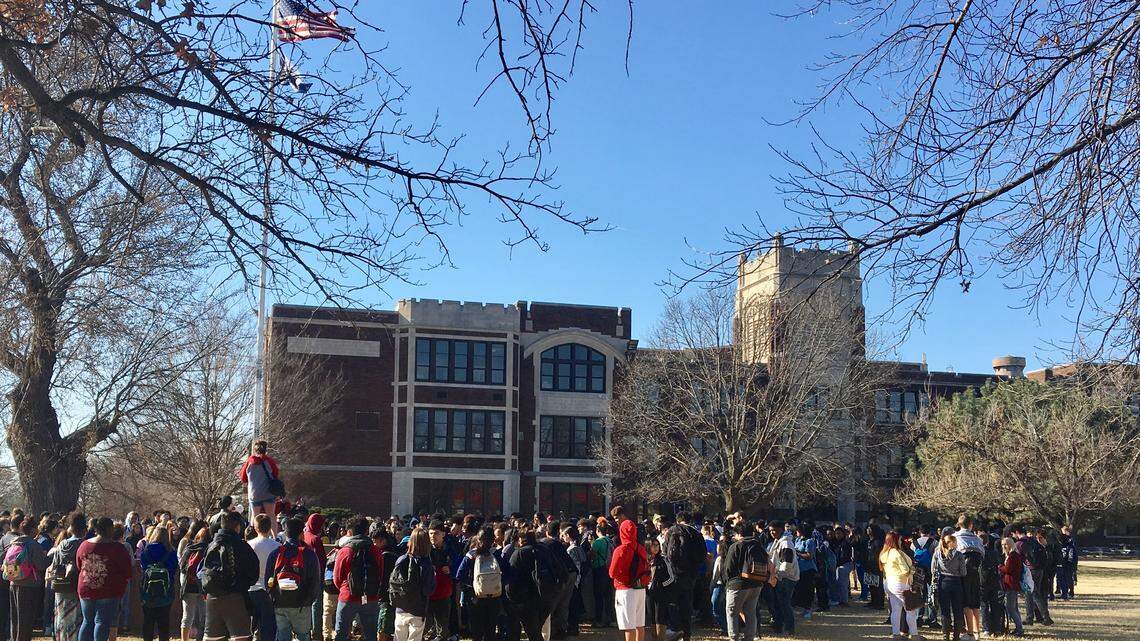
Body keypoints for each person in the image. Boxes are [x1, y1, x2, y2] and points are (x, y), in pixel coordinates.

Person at [202, 511, 261, 641]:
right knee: (240, 637)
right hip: (236, 596)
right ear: (238, 527)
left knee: (212, 637)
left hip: (212, 597)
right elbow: (253, 574)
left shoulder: (211, 545)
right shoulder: (241, 546)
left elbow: (201, 572)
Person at [76, 517, 133, 641]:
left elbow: (79, 565)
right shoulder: (117, 548)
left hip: (86, 588)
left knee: (87, 621)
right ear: (109, 529)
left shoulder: (84, 545)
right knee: (102, 621)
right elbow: (127, 570)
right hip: (108, 590)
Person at [265, 518, 320, 641]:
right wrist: (309, 600)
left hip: (280, 602)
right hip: (302, 604)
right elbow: (315, 582)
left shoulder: (275, 554)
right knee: (303, 636)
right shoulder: (309, 554)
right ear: (302, 534)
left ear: (285, 533)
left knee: (283, 635)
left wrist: (273, 598)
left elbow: (268, 580)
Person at [332, 517, 384, 641]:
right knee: (370, 634)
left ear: (350, 532)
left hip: (348, 596)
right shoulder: (376, 551)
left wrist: (345, 588)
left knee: (341, 634)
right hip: (370, 596)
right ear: (367, 531)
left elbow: (337, 577)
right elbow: (380, 575)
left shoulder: (345, 551)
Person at [721, 520, 767, 641]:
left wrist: (727, 584)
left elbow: (728, 568)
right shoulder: (758, 545)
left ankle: (734, 637)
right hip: (757, 583)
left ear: (738, 533)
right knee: (750, 613)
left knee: (732, 612)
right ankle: (749, 637)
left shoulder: (736, 546)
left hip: (738, 585)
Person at [661, 514, 703, 641]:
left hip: (672, 574)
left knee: (672, 603)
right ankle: (687, 633)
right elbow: (701, 556)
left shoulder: (670, 532)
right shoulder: (695, 533)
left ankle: (675, 629)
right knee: (686, 604)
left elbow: (665, 552)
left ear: (677, 520)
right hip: (689, 575)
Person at [6, 516, 48, 641]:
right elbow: (41, 565)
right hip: (29, 585)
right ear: (32, 529)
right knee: (26, 620)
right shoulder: (33, 544)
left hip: (13, 582)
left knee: (15, 618)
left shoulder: (14, 543)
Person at [456, 527, 500, 641]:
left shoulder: (471, 555)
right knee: (490, 628)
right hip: (494, 595)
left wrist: (470, 586)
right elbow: (507, 574)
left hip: (475, 595)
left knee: (477, 628)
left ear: (478, 539)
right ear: (493, 540)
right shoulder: (497, 554)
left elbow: (459, 575)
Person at [608, 520, 649, 641]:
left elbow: (612, 573)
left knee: (628, 625)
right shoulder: (640, 548)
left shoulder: (621, 550)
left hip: (625, 589)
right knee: (639, 624)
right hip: (640, 587)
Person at [390, 529, 435, 641]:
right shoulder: (426, 564)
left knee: (399, 637)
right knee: (415, 637)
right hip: (418, 608)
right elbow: (428, 589)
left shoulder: (401, 559)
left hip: (400, 606)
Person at [48, 512, 87, 641]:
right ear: (84, 529)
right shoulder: (84, 545)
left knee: (61, 618)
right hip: (77, 587)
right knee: (77, 619)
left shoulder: (62, 544)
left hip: (61, 586)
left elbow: (54, 565)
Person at [138, 526, 179, 641]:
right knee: (164, 622)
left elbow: (143, 566)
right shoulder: (170, 551)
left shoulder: (147, 550)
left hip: (148, 590)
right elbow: (173, 568)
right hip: (166, 590)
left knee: (148, 621)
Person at [879, 531, 919, 640]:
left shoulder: (884, 553)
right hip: (901, 583)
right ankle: (914, 634)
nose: (901, 541)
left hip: (889, 583)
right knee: (910, 610)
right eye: (900, 539)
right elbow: (905, 570)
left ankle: (896, 634)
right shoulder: (896, 553)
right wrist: (913, 571)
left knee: (895, 610)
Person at [248, 514, 282, 641]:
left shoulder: (249, 545)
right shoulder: (277, 547)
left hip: (251, 589)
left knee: (250, 627)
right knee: (269, 628)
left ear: (255, 528)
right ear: (270, 528)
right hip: (269, 590)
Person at [952, 516, 985, 640]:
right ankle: (977, 632)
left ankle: (969, 632)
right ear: (971, 525)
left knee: (965, 603)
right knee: (975, 602)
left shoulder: (955, 537)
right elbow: (983, 554)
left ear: (959, 524)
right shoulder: (977, 538)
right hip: (976, 572)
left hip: (961, 573)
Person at [238, 440, 282, 528]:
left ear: (255, 450)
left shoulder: (249, 462)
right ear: (266, 450)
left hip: (254, 494)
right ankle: (274, 537)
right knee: (271, 516)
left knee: (255, 517)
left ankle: (252, 536)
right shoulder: (269, 461)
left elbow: (242, 478)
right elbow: (275, 474)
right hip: (268, 493)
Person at [767, 522, 799, 637]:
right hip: (779, 576)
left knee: (784, 604)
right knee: (778, 603)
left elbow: (787, 563)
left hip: (787, 578)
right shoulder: (777, 541)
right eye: (770, 530)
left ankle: (790, 629)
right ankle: (778, 626)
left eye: (774, 530)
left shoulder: (786, 543)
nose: (772, 532)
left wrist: (778, 575)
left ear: (781, 529)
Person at [932, 533, 965, 641]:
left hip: (943, 582)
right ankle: (956, 637)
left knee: (945, 611)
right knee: (957, 610)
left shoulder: (937, 553)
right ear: (953, 543)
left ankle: (945, 636)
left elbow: (933, 569)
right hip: (956, 582)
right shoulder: (959, 555)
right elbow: (963, 572)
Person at [178, 525, 208, 641]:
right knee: (204, 616)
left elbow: (181, 567)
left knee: (187, 617)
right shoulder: (209, 549)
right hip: (204, 587)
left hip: (189, 586)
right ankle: (200, 638)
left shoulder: (190, 548)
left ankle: (184, 639)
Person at [644, 538, 674, 641]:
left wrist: (661, 585)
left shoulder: (663, 560)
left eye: (657, 545)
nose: (656, 547)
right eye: (653, 545)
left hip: (661, 594)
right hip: (648, 593)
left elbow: (671, 577)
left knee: (660, 618)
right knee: (651, 617)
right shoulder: (644, 560)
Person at [998, 538, 1025, 637]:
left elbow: (1008, 569)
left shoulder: (1013, 555)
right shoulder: (1012, 555)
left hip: (1011, 584)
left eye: (1005, 544)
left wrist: (1000, 567)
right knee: (1015, 608)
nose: (1003, 546)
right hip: (1012, 584)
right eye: (1002, 544)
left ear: (1010, 544)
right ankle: (1019, 628)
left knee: (1010, 608)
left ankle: (1020, 629)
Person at [590, 523, 614, 628]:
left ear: (597, 530)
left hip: (599, 569)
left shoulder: (597, 542)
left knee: (598, 596)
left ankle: (599, 620)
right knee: (608, 596)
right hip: (609, 569)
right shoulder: (611, 541)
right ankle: (609, 619)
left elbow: (593, 555)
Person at [792, 523, 817, 620]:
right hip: (798, 568)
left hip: (808, 569)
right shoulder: (797, 540)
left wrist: (797, 553)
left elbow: (809, 556)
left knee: (808, 590)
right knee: (799, 589)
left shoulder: (809, 541)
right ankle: (802, 608)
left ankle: (808, 609)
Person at [1057, 528, 1077, 600]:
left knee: (1062, 580)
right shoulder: (1070, 546)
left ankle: (1064, 593)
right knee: (1068, 579)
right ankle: (1069, 593)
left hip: (1060, 565)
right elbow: (1071, 557)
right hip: (1068, 565)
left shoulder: (1058, 547)